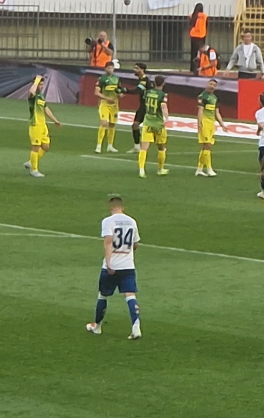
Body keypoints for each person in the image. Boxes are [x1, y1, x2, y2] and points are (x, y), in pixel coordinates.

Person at [86, 196, 142, 340]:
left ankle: (97, 326)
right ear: (123, 207)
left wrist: (109, 262)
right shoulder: (132, 221)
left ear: (111, 208)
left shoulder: (108, 221)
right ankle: (136, 328)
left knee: (103, 294)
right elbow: (135, 244)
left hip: (112, 266)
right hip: (128, 265)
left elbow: (108, 241)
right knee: (130, 295)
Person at [24, 75, 62, 178]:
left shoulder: (40, 96)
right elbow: (31, 92)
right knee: (35, 147)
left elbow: (46, 108)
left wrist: (55, 120)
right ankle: (34, 170)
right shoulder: (33, 96)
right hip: (35, 124)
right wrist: (36, 81)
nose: (41, 86)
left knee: (45, 146)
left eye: (42, 84)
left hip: (42, 125)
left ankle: (31, 162)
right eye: (39, 84)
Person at [137, 75, 169, 178]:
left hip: (148, 122)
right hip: (158, 124)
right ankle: (160, 169)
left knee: (144, 148)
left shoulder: (148, 92)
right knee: (161, 147)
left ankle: (141, 170)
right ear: (163, 84)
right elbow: (163, 106)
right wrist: (166, 118)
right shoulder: (163, 94)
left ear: (154, 83)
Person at [195, 77, 227, 177]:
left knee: (206, 146)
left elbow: (217, 112)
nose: (212, 86)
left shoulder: (215, 98)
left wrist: (222, 124)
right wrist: (199, 123)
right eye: (210, 84)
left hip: (211, 123)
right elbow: (200, 110)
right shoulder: (202, 96)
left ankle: (199, 169)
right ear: (207, 84)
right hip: (204, 121)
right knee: (207, 145)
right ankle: (209, 168)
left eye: (214, 85)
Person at [94, 61, 122, 154]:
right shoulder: (102, 79)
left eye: (112, 68)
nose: (110, 69)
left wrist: (120, 94)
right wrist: (107, 98)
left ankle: (110, 145)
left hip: (114, 104)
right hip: (105, 103)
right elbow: (97, 92)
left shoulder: (117, 79)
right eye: (109, 68)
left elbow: (118, 90)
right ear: (105, 69)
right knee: (104, 123)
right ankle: (99, 145)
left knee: (112, 124)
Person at [127, 63, 150, 153]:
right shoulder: (141, 79)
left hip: (146, 106)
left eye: (137, 68)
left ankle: (161, 145)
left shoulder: (144, 80)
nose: (134, 70)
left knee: (147, 127)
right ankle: (137, 147)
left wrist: (125, 90)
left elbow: (138, 90)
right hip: (143, 105)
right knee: (135, 125)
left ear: (142, 70)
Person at [188, 3, 207, 73]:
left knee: (193, 52)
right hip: (201, 35)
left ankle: (192, 68)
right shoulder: (204, 16)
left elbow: (190, 25)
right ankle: (200, 66)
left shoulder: (192, 16)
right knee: (201, 52)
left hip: (193, 35)